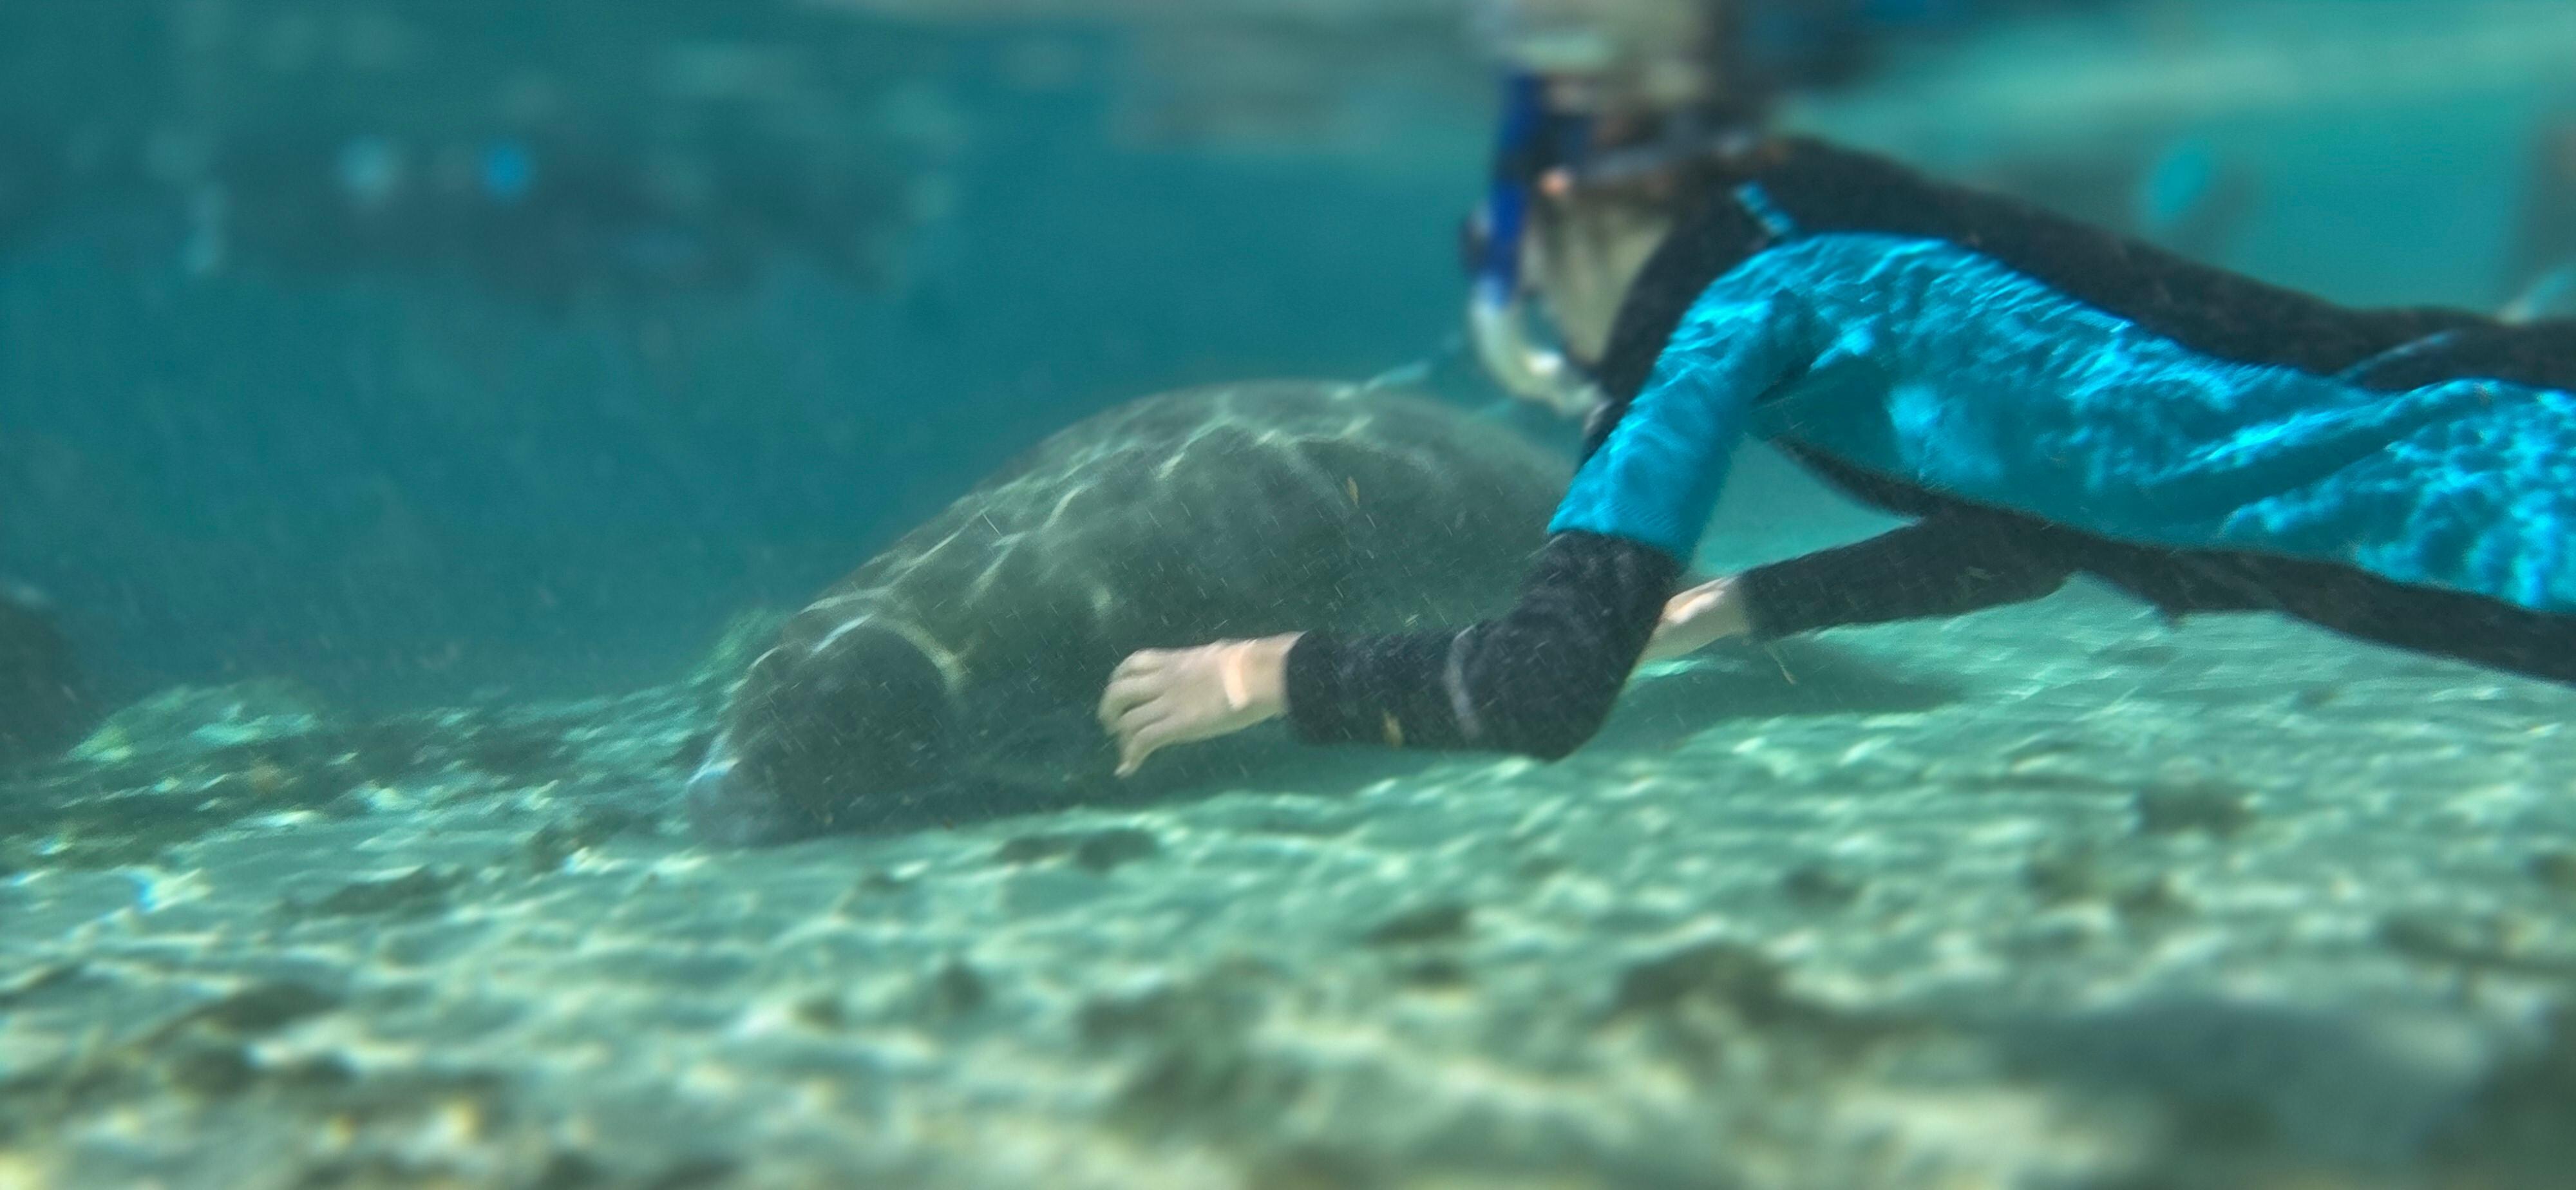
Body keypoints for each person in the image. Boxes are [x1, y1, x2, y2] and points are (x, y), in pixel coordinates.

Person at [1096, 30, 2576, 777]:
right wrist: (1741, 607)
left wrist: (1274, 676)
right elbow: (2021, 537)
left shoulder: (1725, 310)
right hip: (2480, 488)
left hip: (2502, 495)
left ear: (1552, 214)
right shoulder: (1808, 276)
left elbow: (1542, 691)